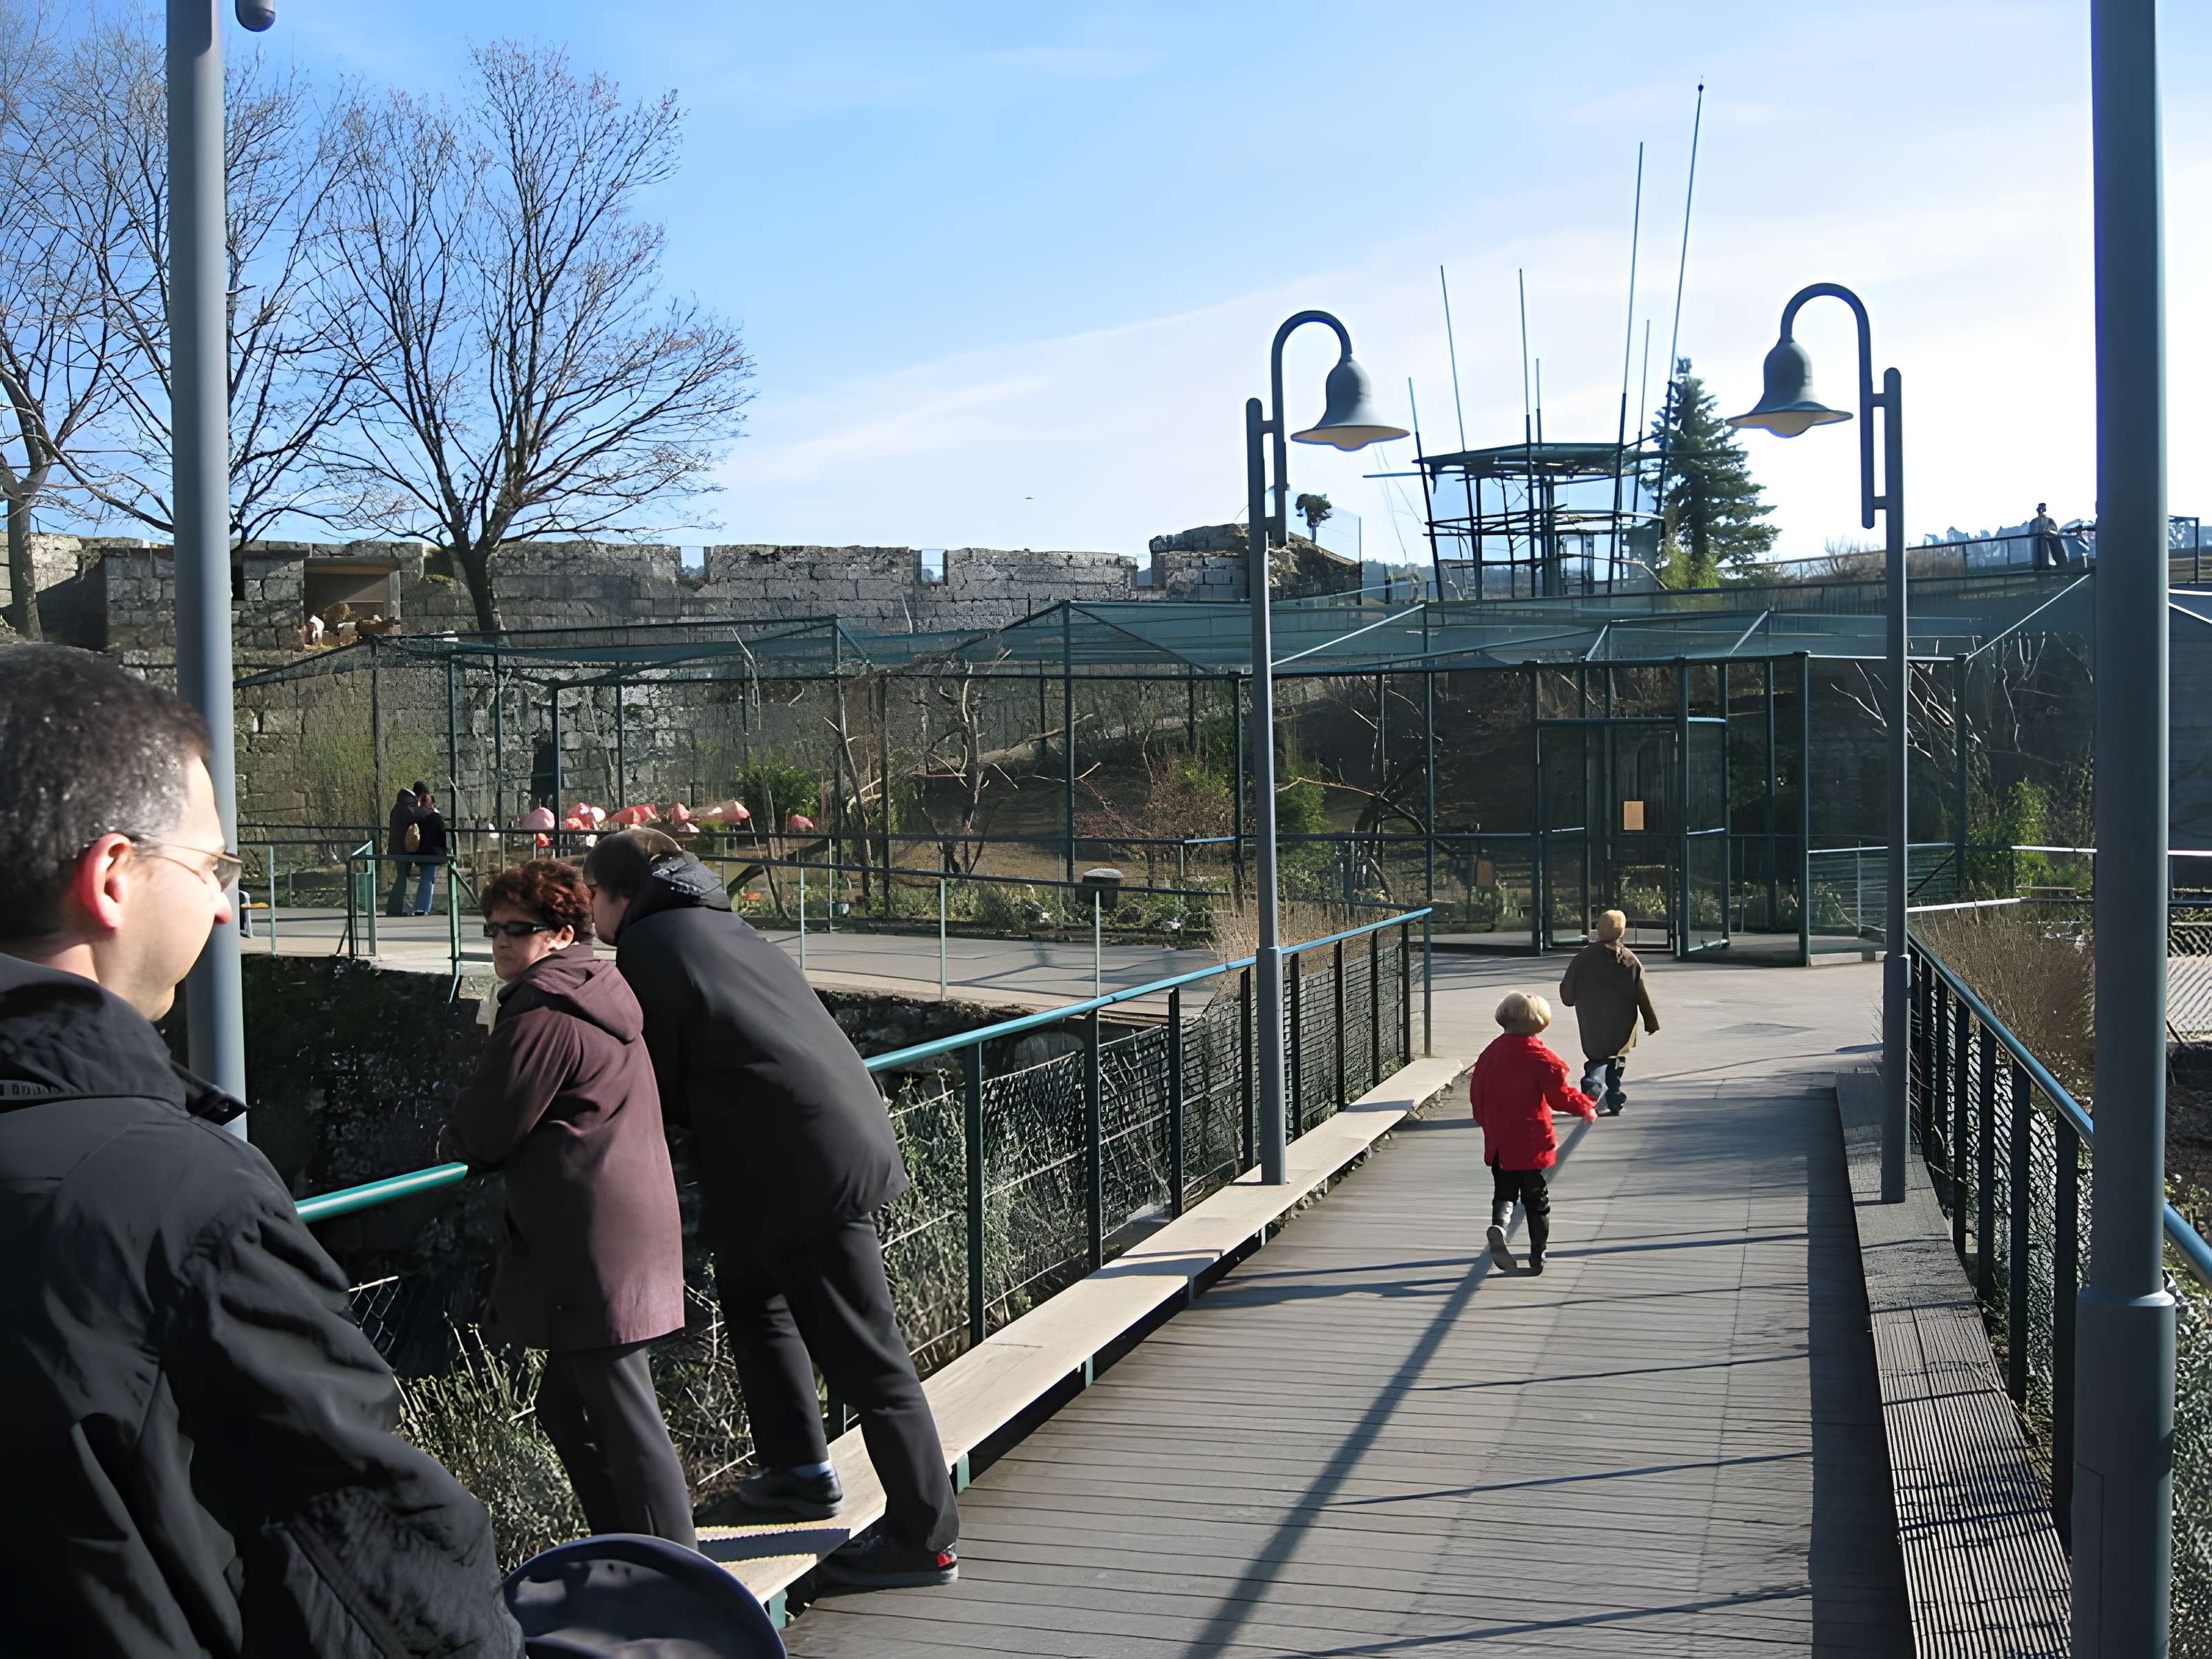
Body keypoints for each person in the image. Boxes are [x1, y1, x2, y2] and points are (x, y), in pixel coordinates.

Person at [0, 643, 519, 1657]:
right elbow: (385, 1581)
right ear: (112, 876)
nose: (225, 904)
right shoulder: (178, 1200)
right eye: (211, 867)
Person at [580, 827, 960, 1591]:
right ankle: (798, 1470)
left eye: (590, 895)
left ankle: (926, 1537)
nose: (589, 912)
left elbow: (660, 1077)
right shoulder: (718, 923)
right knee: (754, 1296)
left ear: (616, 894)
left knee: (866, 1351)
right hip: (799, 1147)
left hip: (800, 1164)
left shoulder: (648, 945)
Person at [440, 860, 695, 1548]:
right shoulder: (597, 988)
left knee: (625, 1419)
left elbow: (488, 1129)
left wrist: (450, 1138)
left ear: (559, 934)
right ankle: (629, 1552)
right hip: (626, 1222)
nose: (501, 941)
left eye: (517, 929)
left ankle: (677, 1576)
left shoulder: (545, 1010)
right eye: (493, 928)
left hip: (595, 1238)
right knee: (569, 1407)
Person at [1471, 991, 1595, 1277]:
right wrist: (1585, 1106)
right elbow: (1559, 1096)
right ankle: (1538, 1253)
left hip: (1499, 1139)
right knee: (1536, 1198)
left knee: (1504, 1191)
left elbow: (1477, 1092)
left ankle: (1500, 1227)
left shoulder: (1490, 1053)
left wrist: (1485, 1121)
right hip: (1530, 1140)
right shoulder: (1540, 1057)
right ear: (1540, 1023)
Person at [1557, 908, 1661, 1116]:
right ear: (1622, 932)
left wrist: (1570, 999)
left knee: (1597, 1056)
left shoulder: (1584, 957)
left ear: (1598, 930)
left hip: (1592, 1018)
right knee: (1616, 1058)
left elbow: (1567, 989)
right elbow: (1642, 993)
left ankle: (1594, 1084)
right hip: (1623, 1020)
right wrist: (1650, 1021)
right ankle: (1613, 1096)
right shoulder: (1630, 959)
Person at [385, 780, 433, 917]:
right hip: (402, 849)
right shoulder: (408, 803)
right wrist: (427, 810)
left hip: (398, 847)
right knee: (401, 877)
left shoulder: (402, 803)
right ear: (422, 794)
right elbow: (414, 816)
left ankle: (394, 908)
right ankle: (394, 909)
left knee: (402, 877)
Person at [412, 785, 449, 915]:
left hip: (422, 852)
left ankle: (420, 907)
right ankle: (422, 908)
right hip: (432, 853)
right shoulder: (435, 817)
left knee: (425, 879)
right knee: (428, 880)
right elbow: (441, 835)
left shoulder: (419, 815)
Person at [2030, 503, 2068, 570]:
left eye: (2042, 509)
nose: (2041, 511)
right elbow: (2031, 532)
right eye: (2040, 510)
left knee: (2050, 551)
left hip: (2048, 540)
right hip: (2038, 541)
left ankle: (2056, 565)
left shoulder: (2049, 520)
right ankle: (2040, 566)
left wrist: (2049, 532)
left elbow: (2055, 531)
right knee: (2039, 554)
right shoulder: (2034, 521)